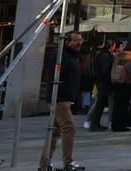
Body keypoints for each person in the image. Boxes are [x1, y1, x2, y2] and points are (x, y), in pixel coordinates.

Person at [41, 31, 85, 171]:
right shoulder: (60, 56)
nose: (79, 43)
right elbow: (54, 77)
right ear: (67, 42)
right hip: (60, 98)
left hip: (65, 98)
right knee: (69, 127)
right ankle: (68, 162)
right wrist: (64, 92)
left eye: (80, 40)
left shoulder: (72, 56)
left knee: (54, 132)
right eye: (75, 40)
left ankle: (44, 164)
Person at [83, 40, 116, 131]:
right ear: (111, 46)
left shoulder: (100, 54)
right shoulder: (105, 56)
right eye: (114, 46)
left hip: (100, 81)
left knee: (99, 103)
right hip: (103, 83)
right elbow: (105, 71)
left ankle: (95, 123)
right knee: (100, 104)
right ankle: (95, 123)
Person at [109, 42, 131, 132]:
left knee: (117, 105)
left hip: (118, 83)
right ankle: (121, 125)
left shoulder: (118, 56)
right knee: (124, 105)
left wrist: (114, 80)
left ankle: (115, 124)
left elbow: (113, 70)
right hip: (127, 83)